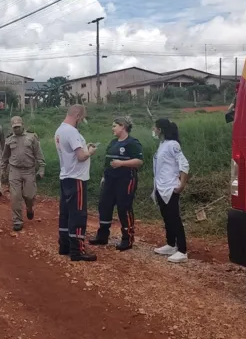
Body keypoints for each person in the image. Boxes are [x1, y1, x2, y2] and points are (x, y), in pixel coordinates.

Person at [89, 116, 143, 251]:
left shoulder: (132, 142)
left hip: (125, 180)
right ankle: (102, 236)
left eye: (114, 126)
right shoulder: (113, 143)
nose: (112, 128)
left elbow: (139, 161)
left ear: (122, 127)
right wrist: (104, 176)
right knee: (104, 206)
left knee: (123, 208)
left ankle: (127, 239)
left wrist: (122, 163)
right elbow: (108, 162)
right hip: (109, 180)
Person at [55, 105, 98, 262]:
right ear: (78, 115)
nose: (82, 120)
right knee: (78, 214)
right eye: (82, 117)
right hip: (77, 178)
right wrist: (90, 151)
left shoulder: (60, 130)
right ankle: (77, 250)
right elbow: (80, 156)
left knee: (65, 213)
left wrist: (84, 150)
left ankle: (64, 245)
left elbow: (71, 153)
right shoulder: (72, 132)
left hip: (65, 176)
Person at [151, 118, 190, 263]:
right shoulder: (163, 144)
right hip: (161, 188)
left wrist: (181, 184)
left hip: (170, 187)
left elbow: (184, 164)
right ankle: (171, 244)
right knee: (166, 217)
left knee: (174, 218)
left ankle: (182, 250)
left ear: (160, 130)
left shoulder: (173, 145)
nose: (153, 130)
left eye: (155, 127)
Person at [1, 116, 45, 231]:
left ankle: (29, 208)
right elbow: (4, 157)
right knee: (15, 197)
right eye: (14, 127)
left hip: (29, 170)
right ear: (12, 128)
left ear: (23, 125)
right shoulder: (9, 140)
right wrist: (2, 170)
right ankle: (17, 220)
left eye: (18, 127)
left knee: (29, 195)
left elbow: (38, 154)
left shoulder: (32, 137)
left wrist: (41, 168)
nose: (16, 129)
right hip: (14, 170)